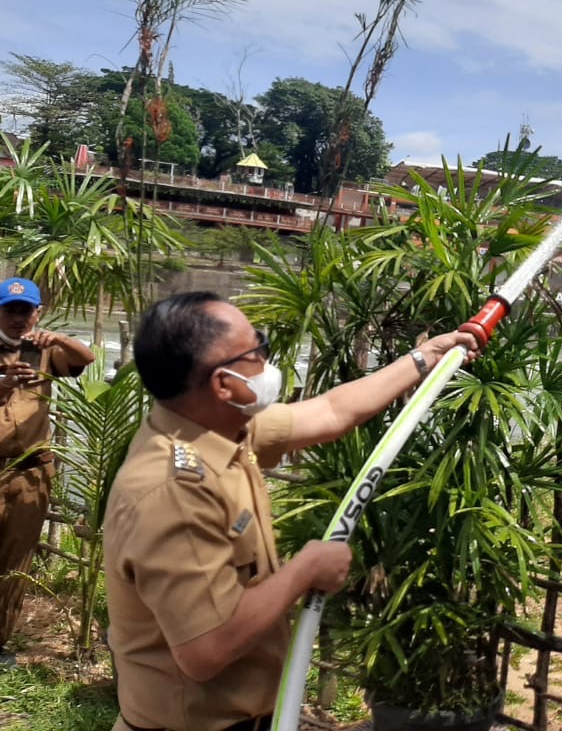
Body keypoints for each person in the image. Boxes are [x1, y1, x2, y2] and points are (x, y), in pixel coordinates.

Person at [104, 291, 480, 731]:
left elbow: (331, 410)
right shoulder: (172, 491)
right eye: (256, 351)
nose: (267, 359)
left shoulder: (219, 427)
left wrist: (424, 358)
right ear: (223, 384)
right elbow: (205, 650)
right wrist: (304, 572)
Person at [0, 277, 95, 668]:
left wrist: (59, 341)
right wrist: (4, 384)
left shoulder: (45, 352)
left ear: (37, 313)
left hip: (33, 472)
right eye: (10, 310)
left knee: (15, 559)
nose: (18, 318)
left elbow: (86, 358)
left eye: (25, 311)